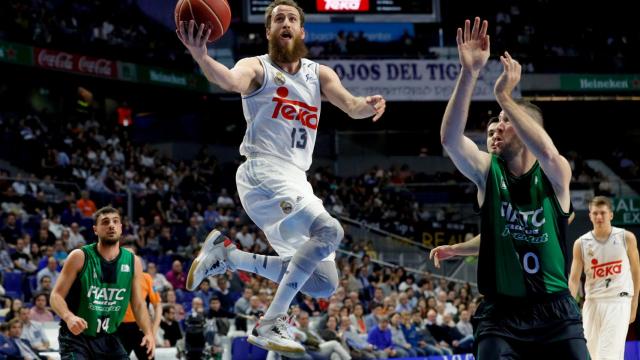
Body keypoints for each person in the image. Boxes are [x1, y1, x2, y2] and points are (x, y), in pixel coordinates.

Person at [177, 0, 385, 354]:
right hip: (264, 170)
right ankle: (272, 320)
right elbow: (228, 79)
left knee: (323, 282)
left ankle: (228, 257)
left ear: (301, 31)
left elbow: (350, 105)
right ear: (269, 31)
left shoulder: (319, 74)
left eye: (292, 18)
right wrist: (201, 56)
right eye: (278, 19)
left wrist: (368, 105)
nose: (285, 23)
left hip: (296, 179)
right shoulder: (255, 67)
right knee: (330, 231)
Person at [439, 17, 588, 358]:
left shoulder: (555, 171)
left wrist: (506, 96)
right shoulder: (487, 172)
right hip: (501, 314)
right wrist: (470, 72)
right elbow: (450, 139)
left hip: (555, 311)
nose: (497, 128)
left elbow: (547, 150)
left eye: (506, 121)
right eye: (495, 123)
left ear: (526, 129)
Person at [50, 206, 156, 359]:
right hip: (77, 338)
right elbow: (55, 296)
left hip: (109, 337)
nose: (111, 225)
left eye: (115, 221)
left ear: (121, 228)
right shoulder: (80, 256)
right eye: (105, 222)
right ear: (95, 230)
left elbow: (138, 304)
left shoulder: (133, 261)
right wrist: (69, 317)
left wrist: (148, 333)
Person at [568, 196, 640, 360]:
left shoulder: (626, 238)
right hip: (592, 302)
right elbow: (573, 280)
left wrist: (634, 303)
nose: (599, 217)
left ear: (611, 215)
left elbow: (636, 271)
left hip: (618, 301)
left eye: (603, 213)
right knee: (592, 355)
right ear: (589, 216)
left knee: (609, 356)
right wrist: (570, 308)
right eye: (595, 213)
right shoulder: (581, 243)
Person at [116, 243, 163, 360]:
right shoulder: (111, 278)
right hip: (118, 329)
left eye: (132, 257)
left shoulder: (146, 278)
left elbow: (158, 305)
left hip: (141, 328)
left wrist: (153, 330)